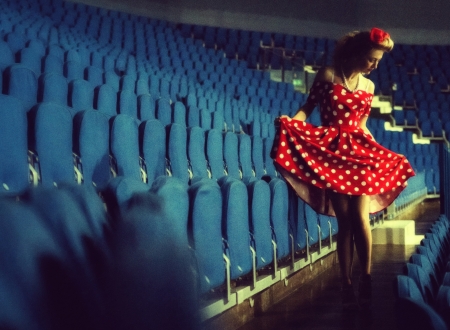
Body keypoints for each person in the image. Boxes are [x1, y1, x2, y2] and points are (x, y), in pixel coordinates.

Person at [271, 28, 415, 311]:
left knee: (361, 218)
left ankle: (367, 277)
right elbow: (308, 107)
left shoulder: (369, 87)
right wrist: (292, 121)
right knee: (345, 220)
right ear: (357, 54)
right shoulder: (327, 75)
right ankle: (345, 282)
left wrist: (382, 154)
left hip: (359, 153)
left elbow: (362, 125)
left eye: (377, 61)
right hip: (333, 153)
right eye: (371, 60)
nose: (375, 66)